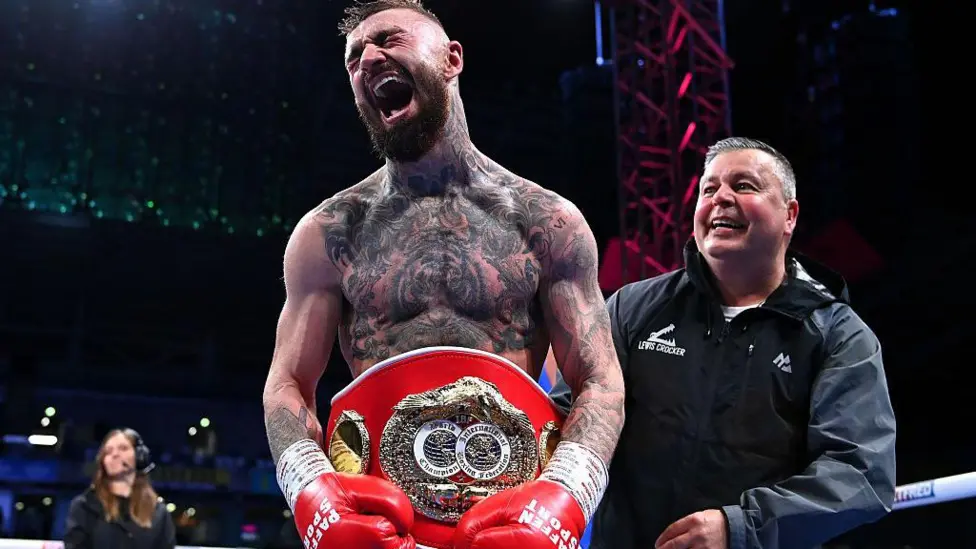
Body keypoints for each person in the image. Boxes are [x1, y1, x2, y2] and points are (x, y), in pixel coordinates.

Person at [261, 2, 625, 549]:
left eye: (389, 40)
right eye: (354, 58)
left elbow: (599, 379)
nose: (367, 60)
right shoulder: (331, 231)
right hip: (376, 520)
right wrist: (310, 490)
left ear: (452, 59)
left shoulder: (547, 222)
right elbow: (287, 383)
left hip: (513, 519)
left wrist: (566, 496)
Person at [550, 137, 897, 549]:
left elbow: (860, 472)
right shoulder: (633, 307)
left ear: (790, 215)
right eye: (709, 189)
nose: (721, 198)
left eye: (744, 185)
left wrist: (742, 528)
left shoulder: (838, 336)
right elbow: (564, 415)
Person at [64, 428, 176, 549]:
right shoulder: (85, 506)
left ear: (140, 457)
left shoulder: (158, 512)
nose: (115, 454)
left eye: (123, 448)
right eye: (108, 451)